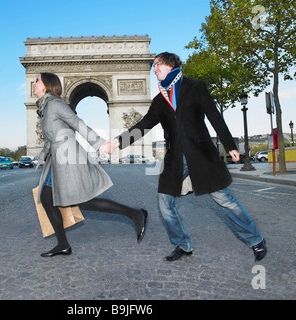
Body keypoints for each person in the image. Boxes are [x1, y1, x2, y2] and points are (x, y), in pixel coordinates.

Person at [106, 52, 267, 263]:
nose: (153, 69)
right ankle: (182, 244)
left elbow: (214, 116)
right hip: (175, 158)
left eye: (157, 65)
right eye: (153, 66)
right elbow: (143, 126)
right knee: (165, 203)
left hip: (201, 155)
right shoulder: (159, 100)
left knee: (225, 200)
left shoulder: (196, 87)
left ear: (170, 64)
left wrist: (230, 145)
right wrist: (117, 142)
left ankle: (255, 240)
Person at [33, 72, 148, 257]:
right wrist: (42, 155)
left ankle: (135, 214)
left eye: (37, 80)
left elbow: (77, 123)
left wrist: (100, 143)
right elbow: (54, 135)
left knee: (84, 201)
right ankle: (63, 244)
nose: (33, 83)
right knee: (47, 199)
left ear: (46, 85)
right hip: (56, 159)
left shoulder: (54, 104)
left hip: (67, 158)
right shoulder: (45, 107)